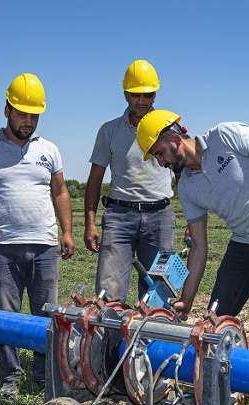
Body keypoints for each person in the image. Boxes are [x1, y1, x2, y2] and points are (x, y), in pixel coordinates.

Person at [136, 109, 249, 405]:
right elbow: (199, 247)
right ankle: (214, 395)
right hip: (244, 245)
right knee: (212, 324)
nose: (160, 162)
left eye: (158, 153)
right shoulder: (187, 187)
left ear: (172, 137)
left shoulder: (226, 135)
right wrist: (187, 299)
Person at [0, 73, 74, 398]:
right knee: (4, 317)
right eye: (23, 113)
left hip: (44, 247)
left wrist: (67, 232)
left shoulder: (49, 150)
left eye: (34, 114)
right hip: (2, 249)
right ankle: (11, 374)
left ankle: (43, 373)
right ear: (7, 109)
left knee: (45, 315)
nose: (29, 120)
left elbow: (61, 192)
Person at [84, 60, 174, 302]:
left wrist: (193, 224)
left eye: (148, 95)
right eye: (136, 95)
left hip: (161, 217)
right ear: (125, 94)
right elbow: (95, 179)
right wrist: (90, 222)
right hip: (119, 218)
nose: (142, 101)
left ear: (156, 94)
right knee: (108, 295)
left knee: (159, 295)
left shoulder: (169, 128)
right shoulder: (109, 130)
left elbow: (186, 172)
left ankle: (151, 338)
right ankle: (111, 340)